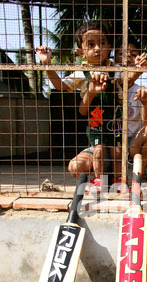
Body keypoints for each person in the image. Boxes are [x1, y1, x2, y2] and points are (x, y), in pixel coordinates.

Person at [36, 20, 121, 193]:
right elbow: (60, 85)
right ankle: (99, 180)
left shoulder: (117, 69)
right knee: (98, 149)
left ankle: (119, 180)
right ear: (81, 52)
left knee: (117, 150)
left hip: (115, 119)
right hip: (96, 120)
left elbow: (130, 78)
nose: (97, 48)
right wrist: (47, 65)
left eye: (102, 43)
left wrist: (138, 70)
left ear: (109, 46)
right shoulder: (80, 73)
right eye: (91, 44)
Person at [114, 38, 147, 184]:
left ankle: (139, 171)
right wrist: (136, 72)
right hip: (112, 142)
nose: (128, 57)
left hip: (133, 142)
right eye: (122, 53)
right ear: (114, 58)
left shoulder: (142, 89)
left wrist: (144, 101)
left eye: (134, 54)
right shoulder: (108, 83)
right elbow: (122, 84)